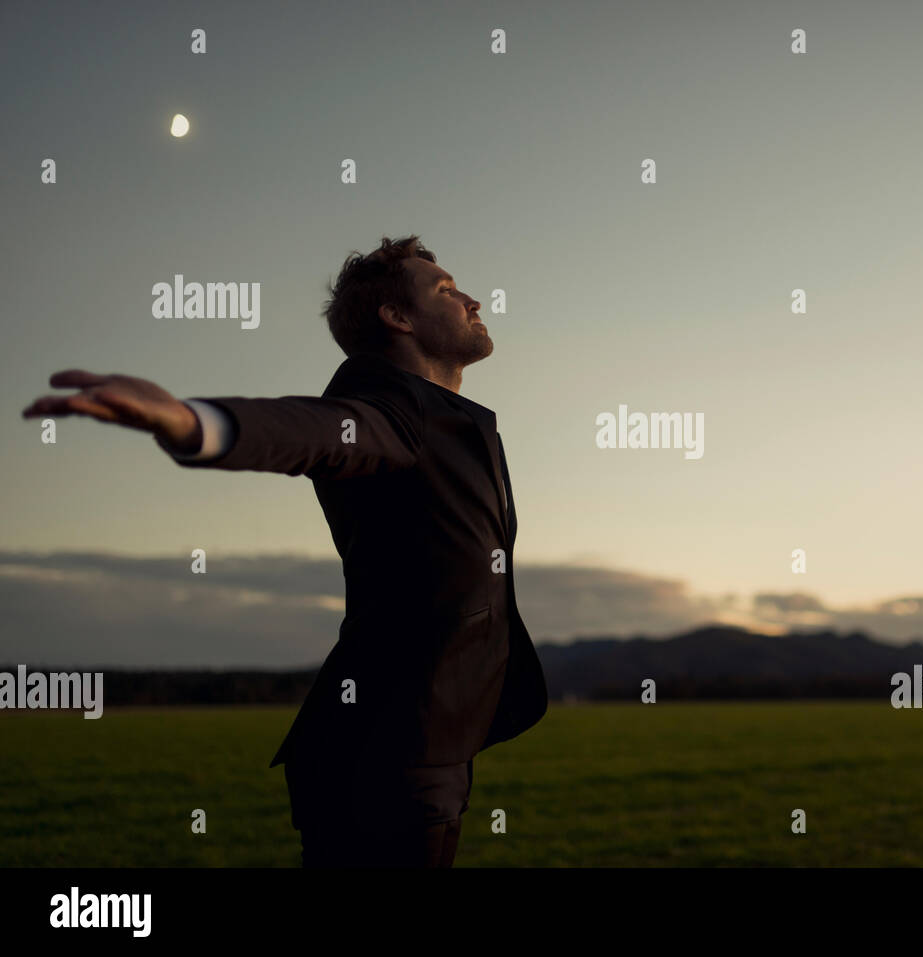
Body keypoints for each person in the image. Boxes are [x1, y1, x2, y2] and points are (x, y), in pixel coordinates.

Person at [21, 236, 549, 867]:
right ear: (397, 318)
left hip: (423, 747)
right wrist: (197, 423)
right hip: (387, 759)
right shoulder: (388, 410)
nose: (471, 298)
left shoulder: (443, 417)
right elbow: (314, 432)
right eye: (444, 289)